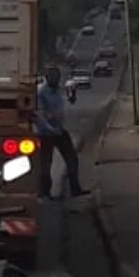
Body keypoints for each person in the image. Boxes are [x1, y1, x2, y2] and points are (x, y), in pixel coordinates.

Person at [35, 66, 90, 199]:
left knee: (72, 158)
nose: (56, 80)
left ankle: (75, 189)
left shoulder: (57, 90)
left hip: (59, 130)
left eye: (57, 77)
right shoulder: (41, 92)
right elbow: (40, 116)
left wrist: (72, 94)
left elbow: (70, 100)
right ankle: (44, 192)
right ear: (47, 78)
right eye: (53, 77)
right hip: (46, 132)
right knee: (46, 163)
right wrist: (50, 129)